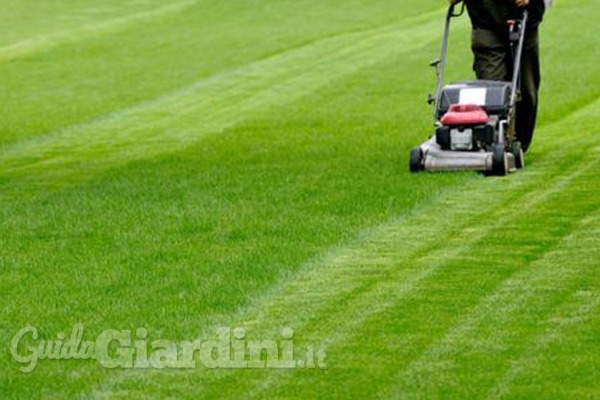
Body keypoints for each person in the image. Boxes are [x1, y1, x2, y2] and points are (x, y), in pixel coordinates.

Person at [449, 0, 547, 152]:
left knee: (527, 93)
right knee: (491, 92)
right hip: (485, 20)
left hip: (525, 19)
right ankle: (493, 143)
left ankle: (518, 144)